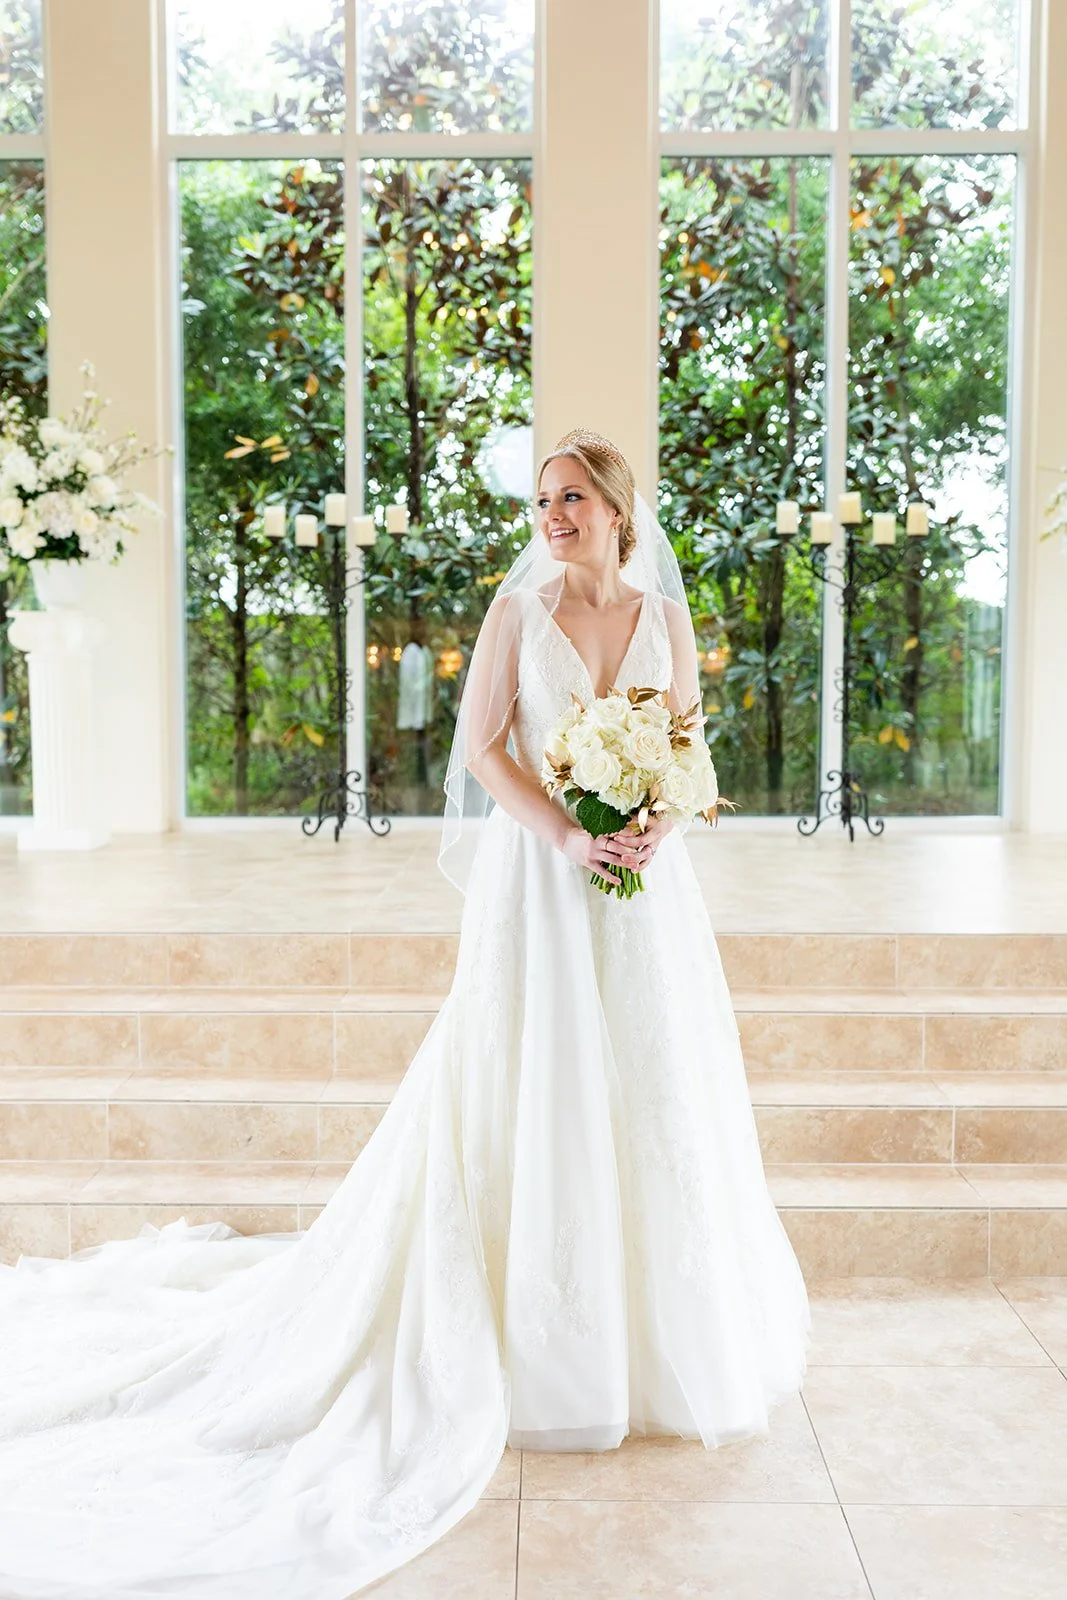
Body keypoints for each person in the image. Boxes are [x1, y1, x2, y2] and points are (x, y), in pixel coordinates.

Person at [0, 429, 811, 1599]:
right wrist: (574, 834)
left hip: (640, 896)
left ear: (618, 509)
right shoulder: (514, 617)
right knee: (532, 1083)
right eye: (542, 500)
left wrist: (648, 830)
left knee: (648, 1091)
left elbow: (684, 750)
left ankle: (653, 1349)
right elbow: (483, 750)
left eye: (571, 498)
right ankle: (536, 1346)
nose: (552, 517)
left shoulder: (660, 618)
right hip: (543, 879)